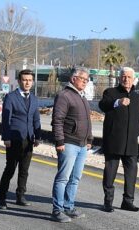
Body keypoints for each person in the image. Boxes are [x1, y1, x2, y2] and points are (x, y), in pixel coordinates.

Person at [99, 67, 139, 213]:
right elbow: (103, 105)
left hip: (131, 144)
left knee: (131, 174)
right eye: (124, 76)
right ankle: (108, 202)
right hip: (113, 142)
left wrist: (136, 132)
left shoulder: (137, 97)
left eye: (129, 77)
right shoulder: (110, 93)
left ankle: (128, 201)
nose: (126, 79)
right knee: (110, 173)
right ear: (119, 78)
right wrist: (117, 102)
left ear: (133, 79)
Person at [51, 67, 93, 223]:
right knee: (63, 178)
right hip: (68, 143)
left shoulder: (82, 97)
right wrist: (59, 141)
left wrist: (89, 140)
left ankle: (69, 207)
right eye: (83, 79)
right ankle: (57, 210)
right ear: (73, 78)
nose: (85, 82)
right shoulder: (64, 96)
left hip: (82, 145)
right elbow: (57, 120)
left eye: (87, 80)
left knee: (75, 178)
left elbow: (87, 122)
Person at [0, 69, 41, 209]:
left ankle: (20, 196)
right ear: (19, 81)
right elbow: (6, 119)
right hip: (14, 139)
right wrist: (6, 137)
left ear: (32, 82)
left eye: (30, 80)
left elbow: (36, 119)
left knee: (24, 170)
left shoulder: (34, 98)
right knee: (10, 169)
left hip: (28, 139)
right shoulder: (11, 97)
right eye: (24, 80)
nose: (27, 82)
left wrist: (38, 136)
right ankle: (1, 198)